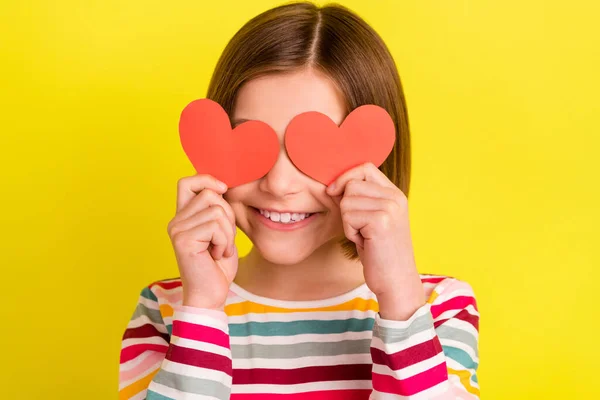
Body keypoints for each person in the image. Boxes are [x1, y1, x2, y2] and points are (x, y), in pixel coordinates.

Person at [118, 2, 480, 399]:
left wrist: (398, 301)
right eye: (251, 144)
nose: (279, 183)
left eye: (313, 150)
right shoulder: (168, 311)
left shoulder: (434, 308)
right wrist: (203, 308)